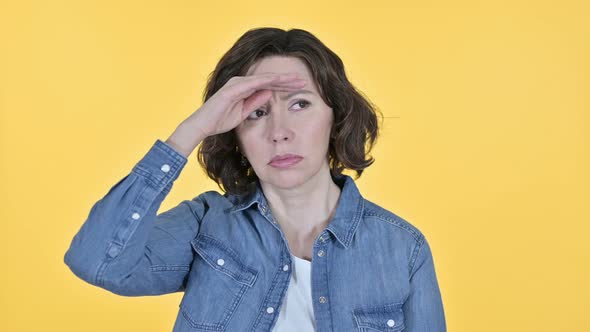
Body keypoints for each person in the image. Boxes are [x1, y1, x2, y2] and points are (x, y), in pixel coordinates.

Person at [64, 27, 446, 331]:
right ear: (233, 131)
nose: (279, 132)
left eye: (300, 104)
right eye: (256, 113)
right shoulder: (205, 225)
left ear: (336, 117)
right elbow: (96, 262)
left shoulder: (403, 249)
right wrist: (193, 128)